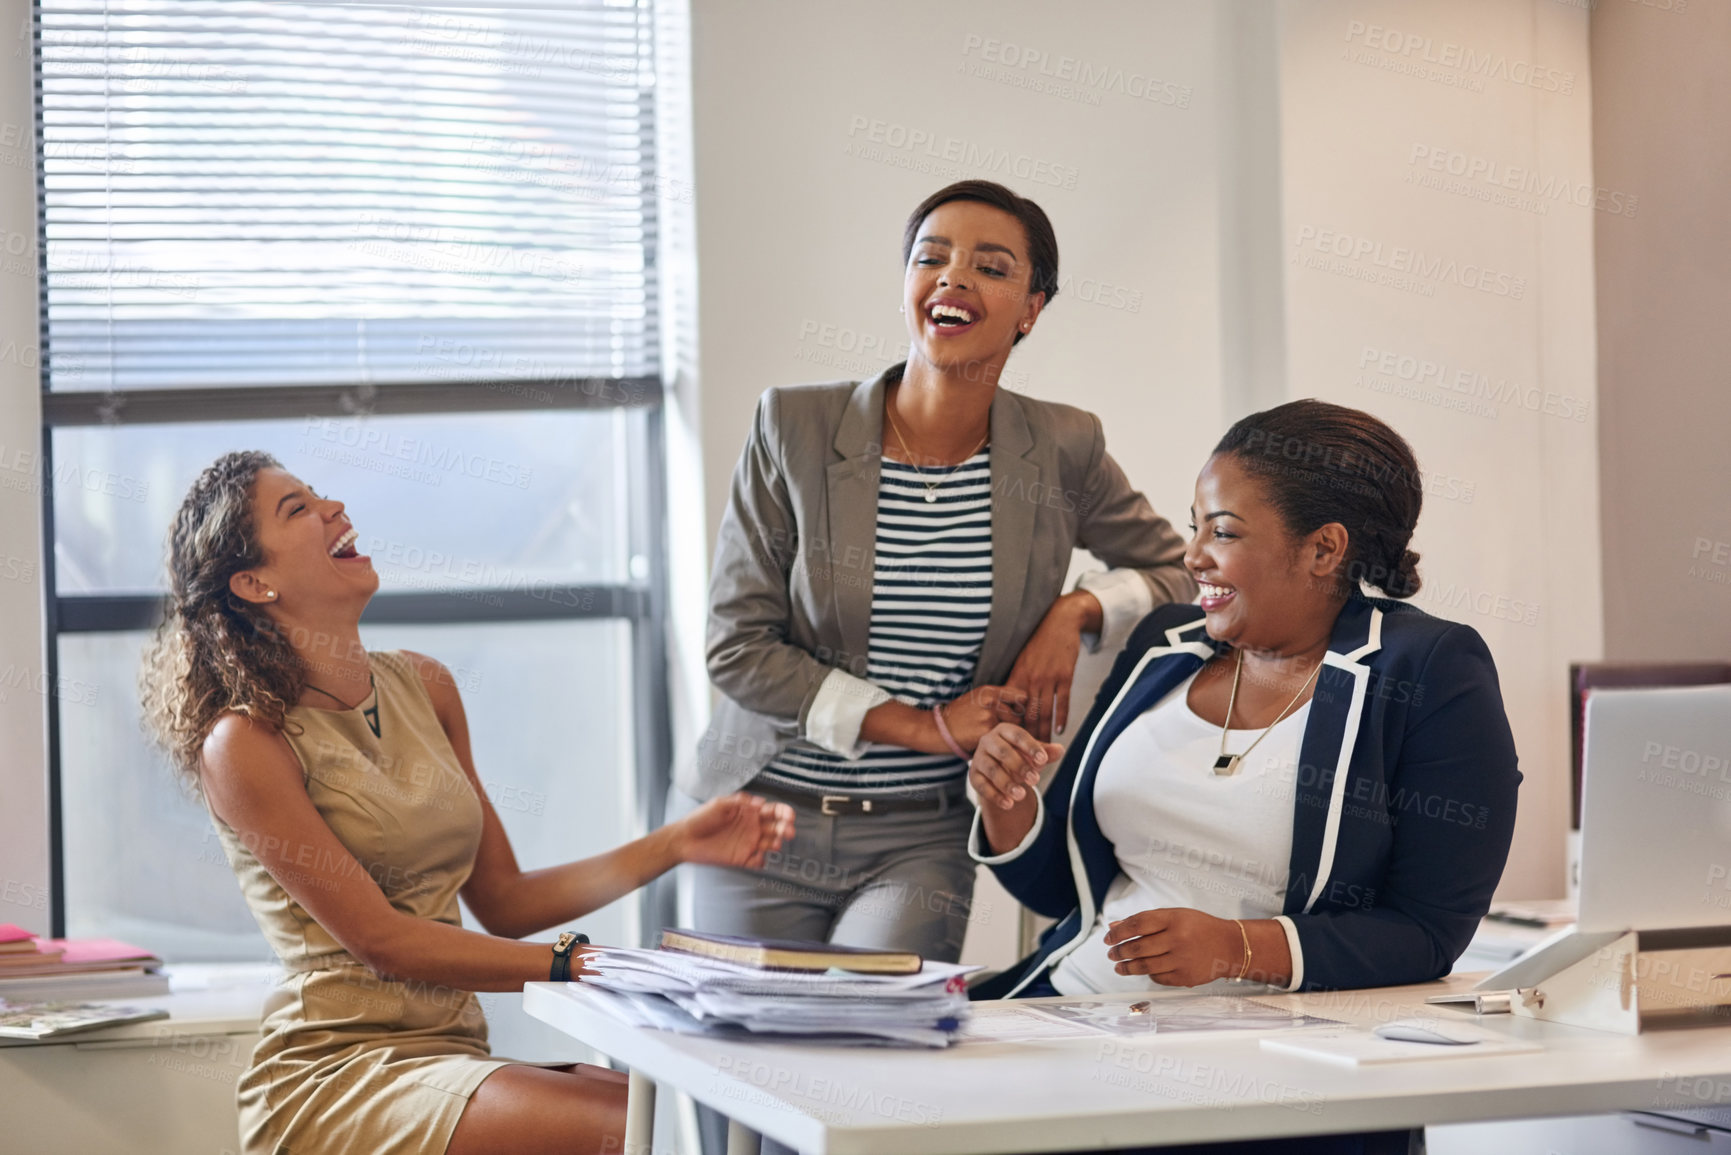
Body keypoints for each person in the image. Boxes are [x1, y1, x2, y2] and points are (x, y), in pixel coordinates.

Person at [140, 451, 794, 1155]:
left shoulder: (427, 685)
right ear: (254, 581)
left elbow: (505, 900)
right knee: (635, 1127)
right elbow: (381, 941)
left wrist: (676, 843)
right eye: (296, 509)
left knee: (664, 1105)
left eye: (320, 494)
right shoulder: (243, 742)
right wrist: (579, 963)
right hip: (336, 1073)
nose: (333, 507)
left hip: (449, 1048)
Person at [968, 400, 1521, 1155]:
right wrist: (1010, 806)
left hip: (1265, 1080)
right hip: (1066, 1024)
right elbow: (1064, 894)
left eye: (1221, 531)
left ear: (1323, 548)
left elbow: (1427, 932)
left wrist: (1240, 946)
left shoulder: (1426, 669)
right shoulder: (1166, 646)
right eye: (1194, 523)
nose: (1192, 553)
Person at [686, 179, 1196, 975]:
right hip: (759, 814)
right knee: (739, 1064)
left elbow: (1176, 567)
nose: (954, 278)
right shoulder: (794, 427)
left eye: (990, 267)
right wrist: (924, 725)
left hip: (920, 833)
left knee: (873, 1048)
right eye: (932, 258)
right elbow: (736, 649)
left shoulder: (1062, 445)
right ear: (909, 289)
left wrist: (1078, 608)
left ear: (1030, 308)